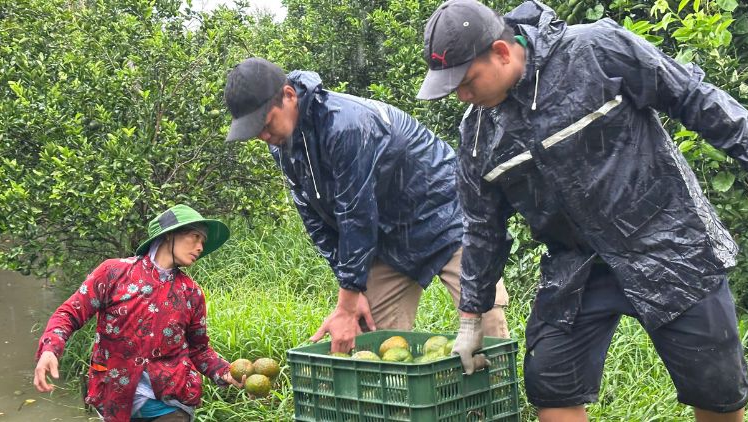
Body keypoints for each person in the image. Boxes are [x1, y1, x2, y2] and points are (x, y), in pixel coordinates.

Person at [417, 0, 748, 421]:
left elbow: (690, 95)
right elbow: (482, 229)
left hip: (668, 243)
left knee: (717, 389)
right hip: (576, 265)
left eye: (468, 81)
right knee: (550, 380)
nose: (462, 96)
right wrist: (471, 316)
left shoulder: (595, 50)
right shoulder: (477, 133)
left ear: (502, 52)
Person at [223, 57, 510, 353]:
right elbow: (315, 219)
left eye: (266, 123)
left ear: (289, 95)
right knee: (372, 341)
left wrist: (346, 302)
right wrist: (351, 290)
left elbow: (355, 215)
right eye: (255, 131)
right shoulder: (283, 146)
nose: (264, 136)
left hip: (444, 215)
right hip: (386, 236)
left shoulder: (346, 124)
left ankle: (498, 392)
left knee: (485, 322)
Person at [34, 204, 242, 422]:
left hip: (170, 406)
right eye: (195, 237)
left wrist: (226, 372)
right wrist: (50, 349)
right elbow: (70, 312)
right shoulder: (114, 272)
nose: (200, 247)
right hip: (113, 398)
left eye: (203, 241)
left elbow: (199, 350)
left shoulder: (191, 292)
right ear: (169, 235)